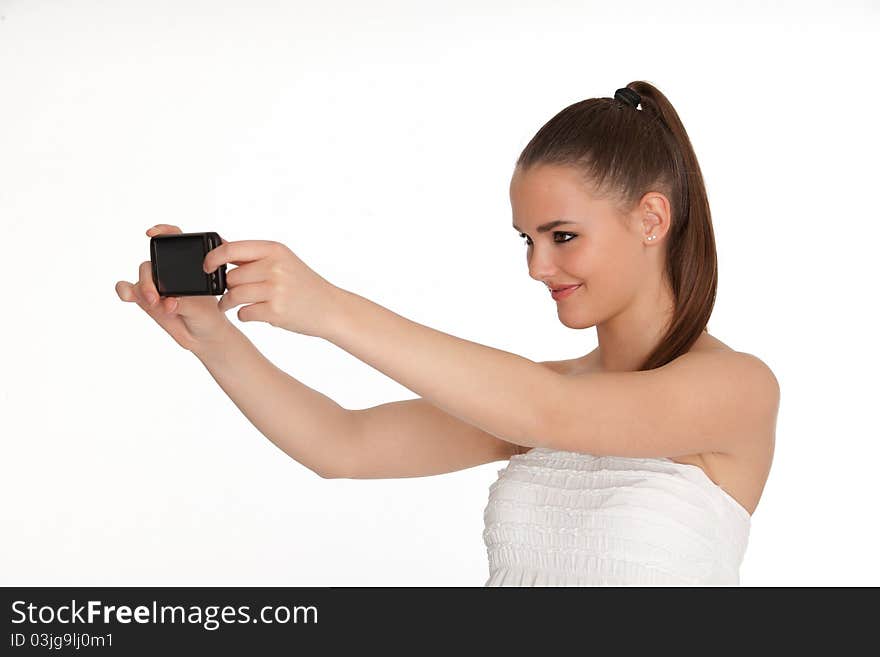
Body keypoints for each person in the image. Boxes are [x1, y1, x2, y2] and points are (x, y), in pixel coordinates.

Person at [116, 80, 779, 586]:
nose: (536, 266)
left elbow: (551, 413)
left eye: (563, 236)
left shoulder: (735, 388)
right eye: (527, 239)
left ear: (652, 219)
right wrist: (210, 335)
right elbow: (344, 444)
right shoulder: (539, 391)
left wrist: (330, 307)